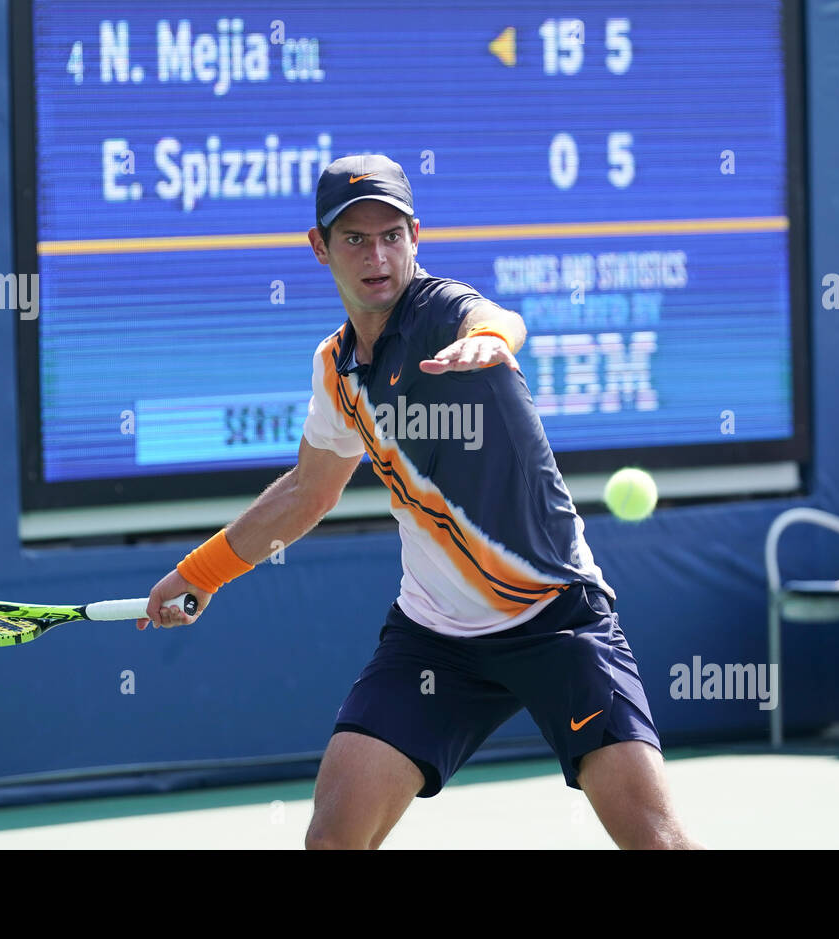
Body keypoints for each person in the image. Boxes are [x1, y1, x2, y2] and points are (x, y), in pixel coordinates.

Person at [140, 156, 701, 849]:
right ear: (319, 248)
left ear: (414, 237)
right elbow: (309, 489)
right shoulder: (336, 368)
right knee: (333, 837)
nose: (377, 255)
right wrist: (200, 572)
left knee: (656, 840)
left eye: (392, 235)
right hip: (435, 638)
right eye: (354, 239)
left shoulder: (441, 314)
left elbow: (494, 315)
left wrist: (491, 339)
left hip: (554, 618)